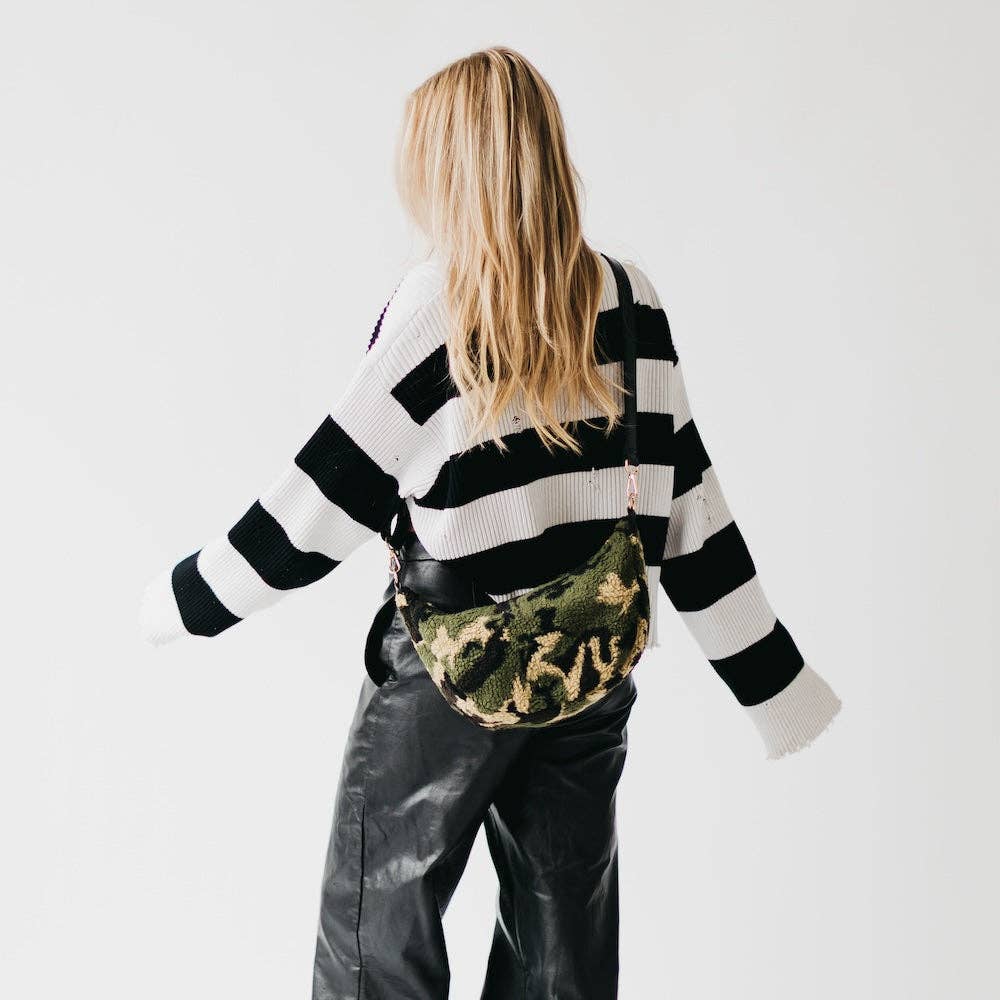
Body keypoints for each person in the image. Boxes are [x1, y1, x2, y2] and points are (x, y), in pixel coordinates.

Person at [141, 45, 841, 1000]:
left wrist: (185, 600)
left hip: (449, 669)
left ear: (448, 166)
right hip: (593, 658)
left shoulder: (438, 306)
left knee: (376, 935)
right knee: (563, 944)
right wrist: (771, 683)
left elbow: (324, 497)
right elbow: (691, 508)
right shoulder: (629, 298)